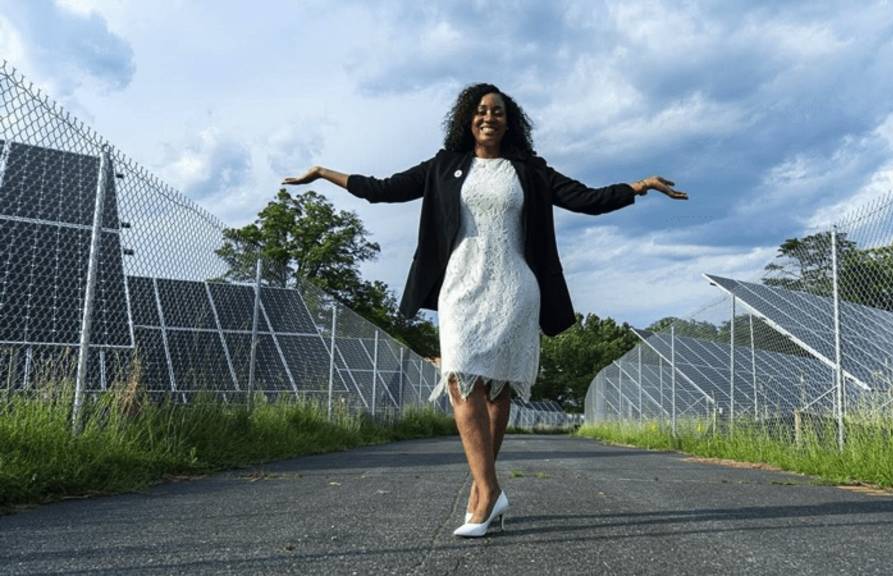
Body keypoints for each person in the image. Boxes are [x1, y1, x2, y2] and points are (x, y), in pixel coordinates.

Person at [282, 83, 687, 538]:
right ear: (467, 119)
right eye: (480, 111)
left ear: (509, 121)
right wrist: (321, 172)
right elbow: (384, 190)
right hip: (460, 286)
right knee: (459, 377)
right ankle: (490, 489)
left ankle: (482, 497)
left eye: (496, 111)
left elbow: (584, 199)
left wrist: (640, 186)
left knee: (497, 390)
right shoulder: (445, 167)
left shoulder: (529, 170)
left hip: (514, 288)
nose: (488, 117)